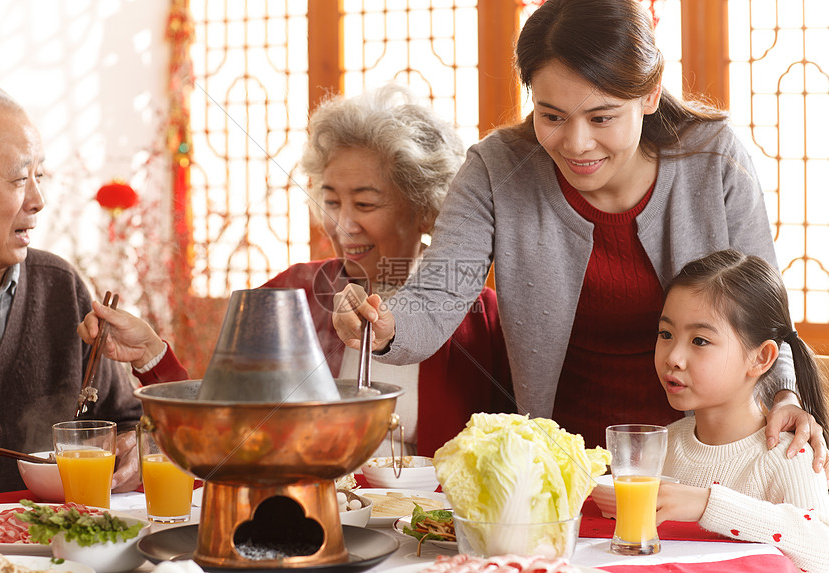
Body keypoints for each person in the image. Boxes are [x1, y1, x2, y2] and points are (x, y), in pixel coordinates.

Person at [331, 0, 828, 466]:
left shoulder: (713, 158)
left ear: (649, 94)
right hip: (563, 465)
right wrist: (386, 324)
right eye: (551, 116)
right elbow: (438, 292)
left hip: (707, 459)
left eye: (601, 117)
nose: (575, 143)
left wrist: (784, 394)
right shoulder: (496, 168)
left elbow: (763, 315)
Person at [79, 84, 513, 457]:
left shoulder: (480, 316)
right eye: (331, 201)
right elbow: (217, 429)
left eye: (364, 204)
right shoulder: (291, 295)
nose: (342, 225)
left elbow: (512, 448)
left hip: (429, 534)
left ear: (426, 209)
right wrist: (151, 354)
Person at [0, 83, 143, 496]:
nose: (38, 200)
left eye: (40, 176)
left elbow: (128, 420)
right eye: (18, 179)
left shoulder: (59, 286)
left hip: (57, 553)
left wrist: (135, 447)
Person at [653, 250, 829, 572]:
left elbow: (822, 550)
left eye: (700, 341)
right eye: (666, 334)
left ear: (761, 358)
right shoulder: (663, 444)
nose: (673, 357)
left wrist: (707, 504)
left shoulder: (786, 455)